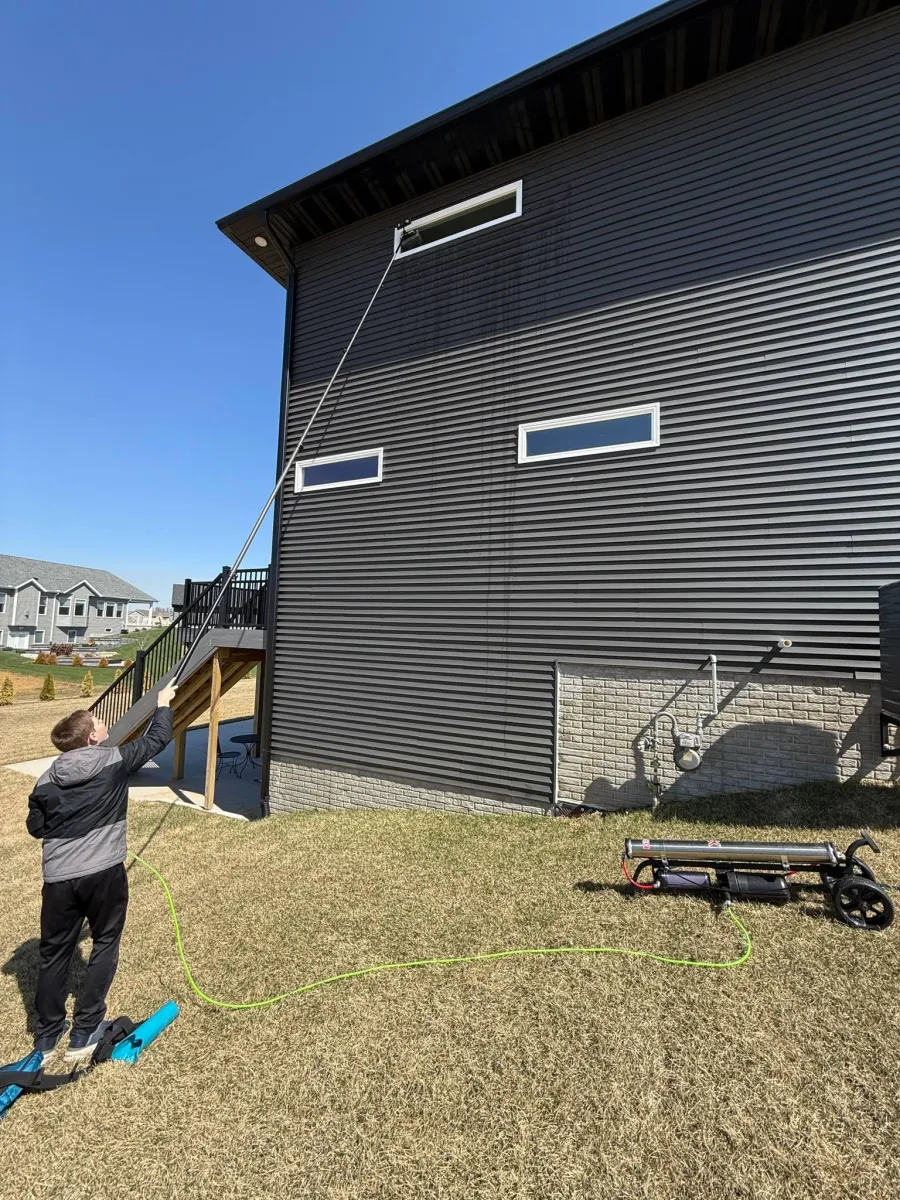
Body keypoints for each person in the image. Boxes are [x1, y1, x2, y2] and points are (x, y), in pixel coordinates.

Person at [25, 683, 177, 1064]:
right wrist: (163, 705)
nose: (105, 721)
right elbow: (157, 739)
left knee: (54, 953)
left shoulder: (46, 780)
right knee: (105, 942)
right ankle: (85, 1030)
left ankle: (46, 1036)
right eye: (99, 720)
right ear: (92, 736)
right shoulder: (113, 761)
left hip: (58, 880)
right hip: (104, 874)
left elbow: (36, 826)